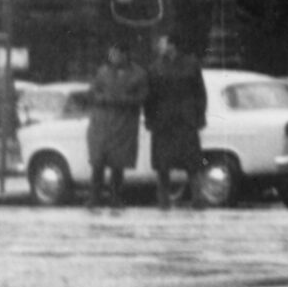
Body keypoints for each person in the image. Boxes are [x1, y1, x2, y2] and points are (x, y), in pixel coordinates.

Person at [145, 35, 209, 211]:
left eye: (163, 43)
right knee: (162, 164)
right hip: (163, 121)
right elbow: (149, 98)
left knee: (192, 162)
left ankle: (198, 197)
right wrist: (149, 119)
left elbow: (200, 93)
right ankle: (163, 199)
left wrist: (200, 116)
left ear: (172, 45)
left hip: (185, 119)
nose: (160, 46)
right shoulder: (155, 67)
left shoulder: (191, 64)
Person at [85, 41, 148, 214]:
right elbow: (92, 92)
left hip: (124, 124)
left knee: (117, 164)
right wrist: (103, 98)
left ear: (124, 54)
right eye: (110, 54)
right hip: (102, 124)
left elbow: (142, 97)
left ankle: (116, 198)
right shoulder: (103, 72)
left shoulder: (138, 74)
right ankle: (94, 197)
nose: (111, 57)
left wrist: (121, 99)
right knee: (98, 163)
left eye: (115, 53)